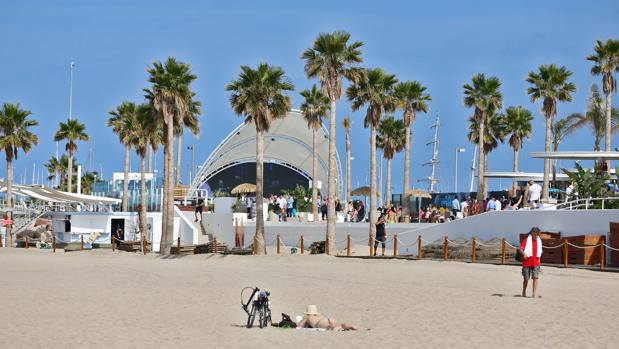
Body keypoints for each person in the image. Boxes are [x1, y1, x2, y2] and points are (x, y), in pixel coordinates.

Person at [296, 305, 362, 331]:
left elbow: (299, 327)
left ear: (307, 312)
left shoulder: (307, 317)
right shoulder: (319, 315)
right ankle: (349, 326)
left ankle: (339, 328)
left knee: (331, 326)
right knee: (339, 324)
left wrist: (302, 321)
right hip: (327, 319)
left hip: (320, 323)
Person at [519, 227, 543, 298]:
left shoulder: (539, 241)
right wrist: (524, 254)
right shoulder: (526, 240)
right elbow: (520, 249)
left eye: (537, 233)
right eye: (534, 233)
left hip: (536, 263)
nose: (535, 235)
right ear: (531, 233)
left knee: (535, 278)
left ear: (538, 234)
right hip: (527, 262)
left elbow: (540, 252)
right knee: (526, 279)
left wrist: (539, 262)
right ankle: (524, 291)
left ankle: (533, 294)